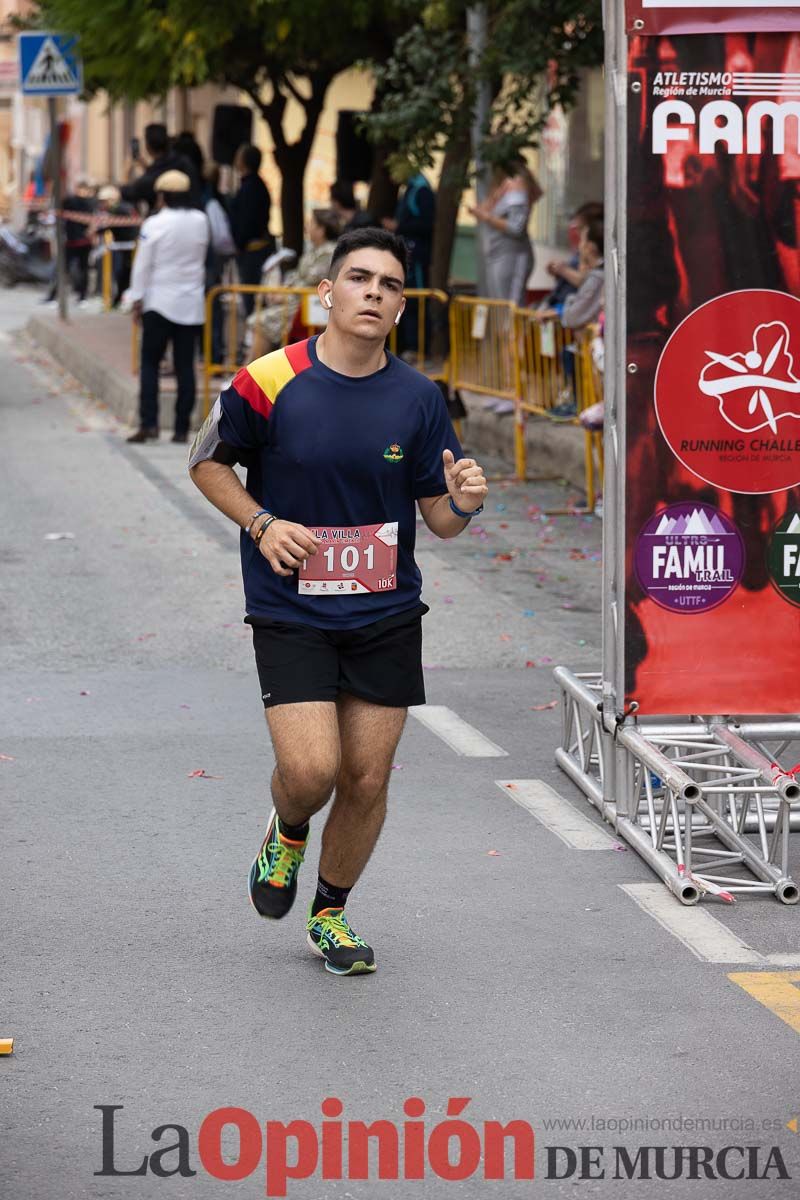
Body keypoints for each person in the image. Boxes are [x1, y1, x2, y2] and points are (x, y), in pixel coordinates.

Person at [188, 227, 488, 976]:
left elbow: (440, 522)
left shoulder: (419, 399)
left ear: (399, 307)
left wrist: (464, 503)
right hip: (292, 611)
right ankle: (287, 830)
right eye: (360, 278)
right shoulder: (270, 379)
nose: (375, 293)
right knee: (314, 770)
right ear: (327, 292)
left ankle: (330, 914)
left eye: (390, 285)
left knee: (367, 778)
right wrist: (261, 523)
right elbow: (205, 461)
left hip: (385, 612)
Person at [126, 170, 209, 444]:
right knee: (186, 366)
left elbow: (142, 265)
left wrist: (135, 298)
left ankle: (149, 423)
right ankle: (181, 428)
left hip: (159, 301)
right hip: (191, 303)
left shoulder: (154, 223)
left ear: (162, 196)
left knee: (150, 363)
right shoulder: (201, 220)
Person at [249, 207, 339, 358]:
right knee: (258, 319)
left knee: (260, 321)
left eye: (312, 223)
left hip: (307, 306)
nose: (308, 227)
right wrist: (281, 291)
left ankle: (249, 368)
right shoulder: (313, 250)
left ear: (321, 230)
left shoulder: (329, 252)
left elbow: (312, 281)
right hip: (298, 303)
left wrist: (285, 295)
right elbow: (297, 276)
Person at [469, 157, 542, 305]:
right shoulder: (503, 185)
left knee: (510, 308)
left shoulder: (517, 183)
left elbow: (516, 227)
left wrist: (487, 217)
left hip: (512, 256)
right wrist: (496, 195)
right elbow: (483, 209)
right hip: (499, 254)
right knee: (500, 308)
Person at [382, 169, 435, 356]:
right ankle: (408, 346)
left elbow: (428, 224)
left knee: (416, 301)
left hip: (417, 258)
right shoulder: (411, 189)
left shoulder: (422, 191)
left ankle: (417, 347)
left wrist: (398, 227)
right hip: (406, 256)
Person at [230, 144, 275, 317]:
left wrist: (239, 244)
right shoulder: (255, 185)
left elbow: (246, 221)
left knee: (251, 299)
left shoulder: (251, 187)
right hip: (251, 248)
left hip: (252, 251)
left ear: (243, 161)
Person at [120, 123, 201, 214]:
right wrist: (148, 168)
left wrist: (126, 172)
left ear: (148, 146)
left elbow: (128, 194)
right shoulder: (185, 162)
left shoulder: (148, 180)